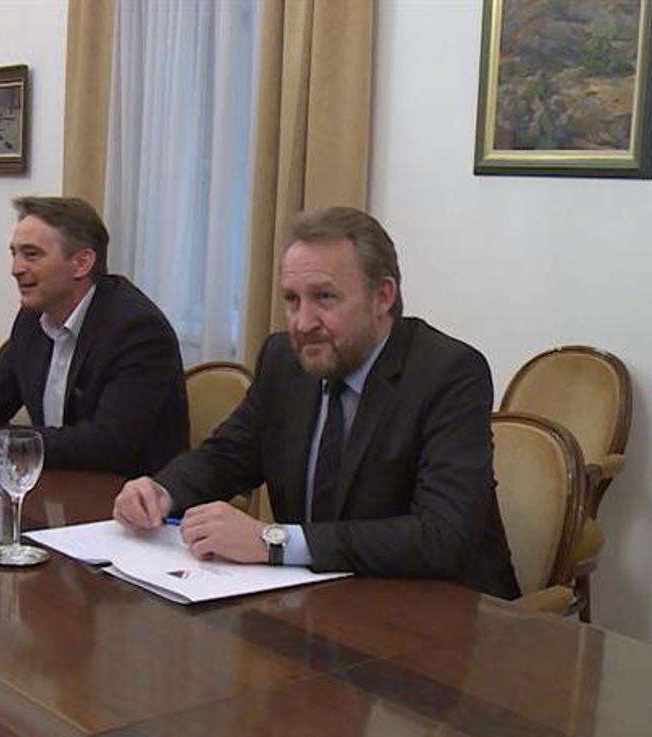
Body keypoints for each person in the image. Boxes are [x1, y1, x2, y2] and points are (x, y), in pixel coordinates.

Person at [113, 206, 519, 599]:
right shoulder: (284, 359)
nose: (303, 323)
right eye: (292, 300)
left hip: (439, 612)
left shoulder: (448, 374)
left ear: (383, 297)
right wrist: (161, 491)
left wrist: (273, 541)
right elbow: (227, 456)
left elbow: (441, 535)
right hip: (319, 601)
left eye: (325, 297)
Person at [0, 196, 188, 477]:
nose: (15, 269)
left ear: (81, 263)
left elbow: (109, 443)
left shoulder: (137, 330)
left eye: (31, 255)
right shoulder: (34, 317)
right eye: (14, 254)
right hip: (56, 484)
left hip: (125, 492)